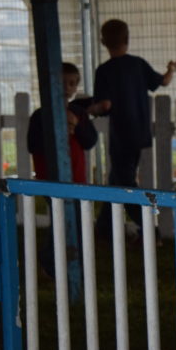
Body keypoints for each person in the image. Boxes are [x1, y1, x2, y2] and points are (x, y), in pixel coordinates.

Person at [93, 19, 176, 240]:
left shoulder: (104, 71)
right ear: (127, 39)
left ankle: (150, 229)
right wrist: (171, 69)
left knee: (125, 183)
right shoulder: (138, 65)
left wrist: (88, 109)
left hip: (120, 135)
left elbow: (105, 105)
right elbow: (164, 82)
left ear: (103, 41)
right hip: (138, 132)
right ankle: (103, 228)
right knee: (117, 178)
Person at [27, 62, 106, 278]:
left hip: (77, 177)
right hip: (51, 178)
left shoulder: (78, 112)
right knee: (62, 221)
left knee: (76, 221)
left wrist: (77, 126)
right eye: (62, 82)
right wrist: (57, 132)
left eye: (71, 83)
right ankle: (52, 262)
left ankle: (61, 262)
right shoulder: (40, 115)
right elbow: (33, 145)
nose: (66, 87)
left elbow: (90, 141)